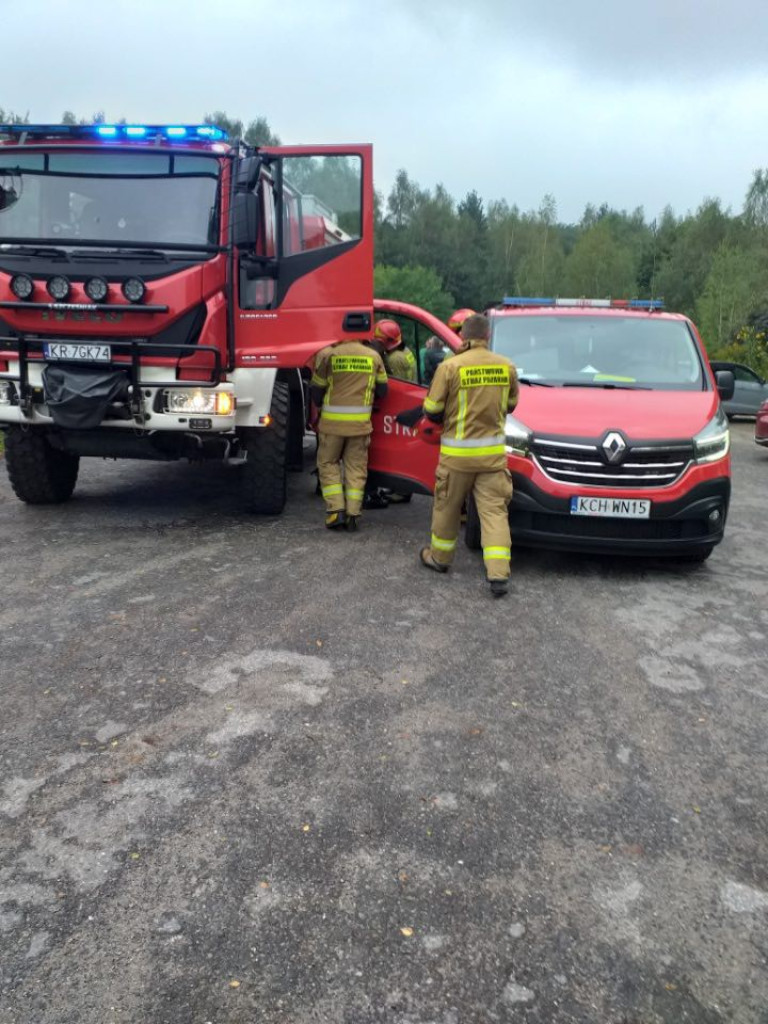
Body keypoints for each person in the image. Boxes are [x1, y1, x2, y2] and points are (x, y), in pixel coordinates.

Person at [419, 313, 519, 597]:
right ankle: (498, 574)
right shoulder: (506, 367)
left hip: (456, 457)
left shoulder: (450, 367)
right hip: (492, 459)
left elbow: (432, 410)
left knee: (447, 509)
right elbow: (511, 405)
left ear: (464, 336)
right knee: (494, 513)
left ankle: (440, 559)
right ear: (487, 337)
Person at [310, 337, 388, 531]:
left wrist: (320, 405)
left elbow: (316, 389)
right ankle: (353, 513)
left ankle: (336, 510)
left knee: (328, 464)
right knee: (356, 468)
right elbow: (383, 390)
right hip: (359, 426)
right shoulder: (374, 356)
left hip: (332, 426)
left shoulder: (330, 355)